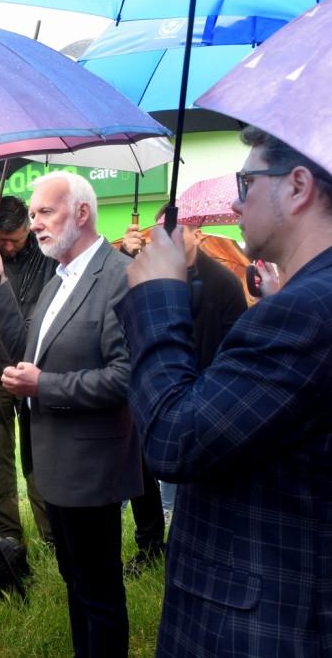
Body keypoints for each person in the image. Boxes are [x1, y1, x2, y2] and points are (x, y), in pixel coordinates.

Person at [119, 126, 332, 655]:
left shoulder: (306, 313)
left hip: (277, 629)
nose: (235, 198)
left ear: (298, 186)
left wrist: (159, 297)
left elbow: (173, 439)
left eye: (247, 179)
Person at [0, 171, 141, 657]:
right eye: (33, 214)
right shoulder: (59, 277)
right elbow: (29, 347)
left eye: (46, 211)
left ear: (82, 213)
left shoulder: (117, 275)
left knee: (99, 593)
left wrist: (41, 386)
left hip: (94, 468)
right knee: (75, 583)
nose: (37, 223)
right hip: (57, 466)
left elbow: (126, 377)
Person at [119, 212, 247, 575]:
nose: (169, 238)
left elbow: (231, 346)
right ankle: (150, 544)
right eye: (160, 231)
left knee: (193, 479)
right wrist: (128, 261)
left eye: (177, 230)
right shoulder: (148, 274)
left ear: (197, 233)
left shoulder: (223, 281)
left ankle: (189, 542)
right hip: (153, 385)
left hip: (206, 395)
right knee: (144, 466)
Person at [0, 196, 57, 544]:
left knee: (41, 455)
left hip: (37, 368)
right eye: (1, 239)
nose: (8, 246)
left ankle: (51, 534)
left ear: (27, 229)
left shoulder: (45, 250)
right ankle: (9, 533)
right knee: (0, 457)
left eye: (15, 239)